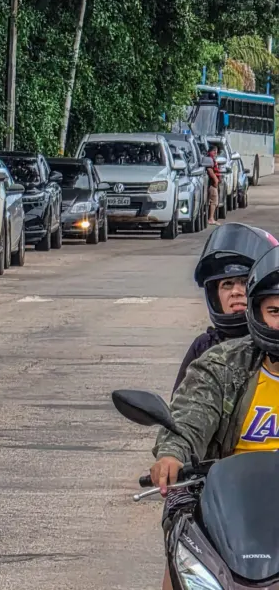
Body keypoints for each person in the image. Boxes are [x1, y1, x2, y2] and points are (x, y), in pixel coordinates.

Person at [150, 244, 279, 590]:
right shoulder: (223, 364)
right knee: (182, 554)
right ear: (256, 312)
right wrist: (172, 454)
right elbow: (190, 416)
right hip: (232, 509)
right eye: (275, 311)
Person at [174, 223, 278, 392]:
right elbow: (181, 405)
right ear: (215, 295)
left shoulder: (273, 346)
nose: (236, 292)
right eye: (227, 284)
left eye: (245, 282)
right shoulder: (204, 347)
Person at [206, 144, 221, 227]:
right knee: (213, 200)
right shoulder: (209, 159)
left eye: (216, 151)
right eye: (213, 151)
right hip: (212, 184)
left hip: (213, 183)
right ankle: (211, 218)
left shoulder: (212, 159)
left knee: (214, 201)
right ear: (210, 151)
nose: (215, 152)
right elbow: (210, 170)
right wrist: (215, 180)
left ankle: (212, 218)